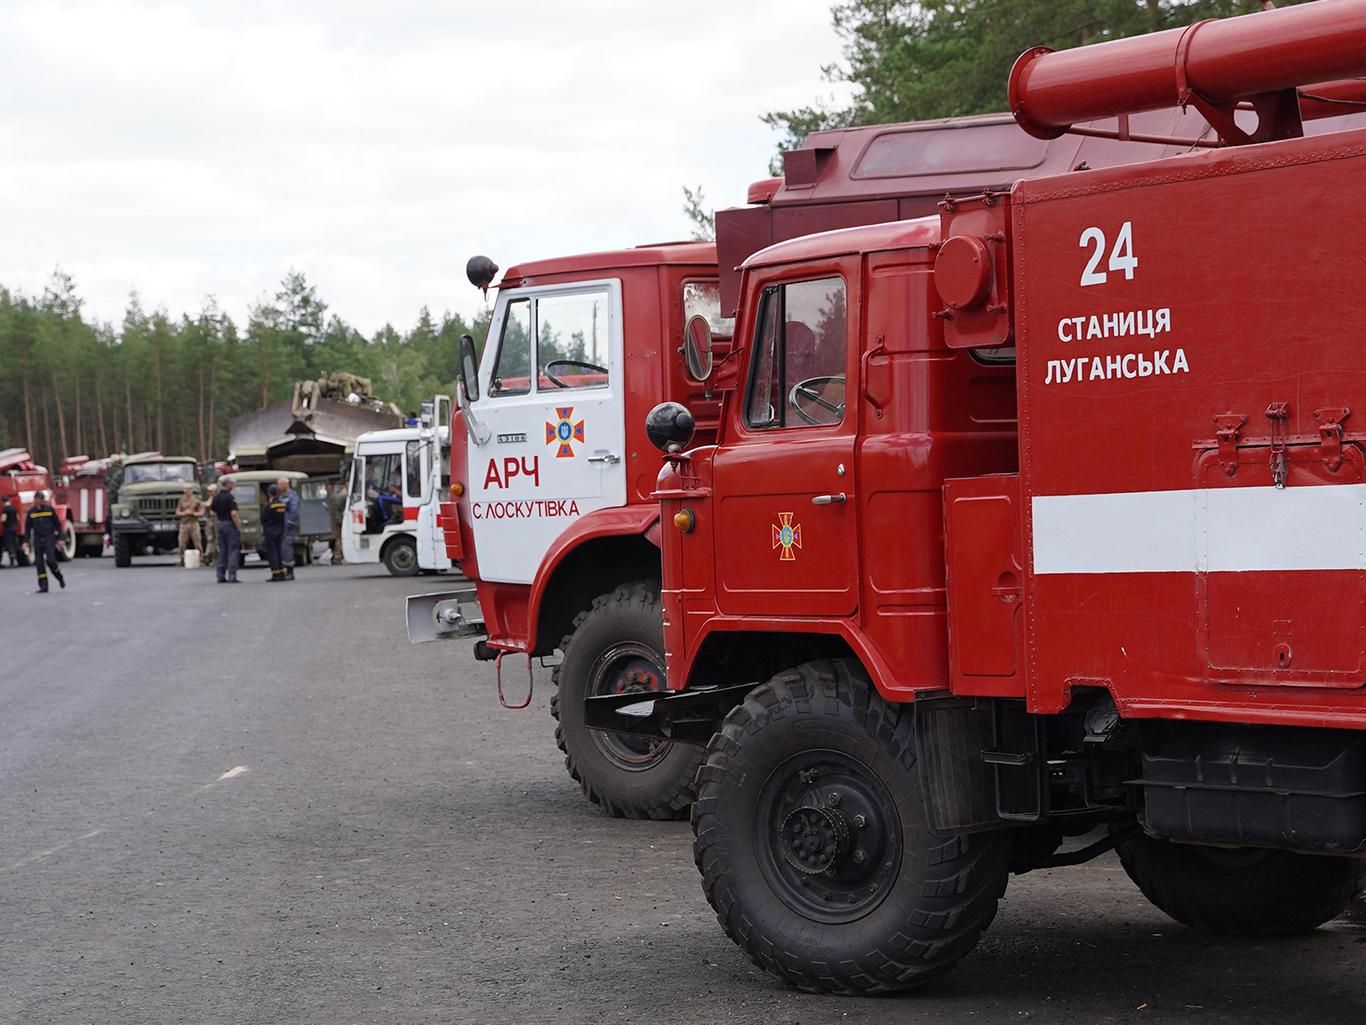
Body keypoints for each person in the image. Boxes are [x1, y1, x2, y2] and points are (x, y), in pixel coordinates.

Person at [24, 491, 66, 593]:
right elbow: (28, 528)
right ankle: (43, 586)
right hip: (38, 540)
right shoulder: (31, 512)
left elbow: (58, 525)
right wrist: (25, 541)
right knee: (39, 564)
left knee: (51, 561)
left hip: (49, 539)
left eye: (40, 499)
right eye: (36, 499)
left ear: (43, 500)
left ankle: (59, 577)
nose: (38, 502)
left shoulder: (49, 510)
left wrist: (61, 538)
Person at [210, 477, 241, 583]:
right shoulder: (230, 497)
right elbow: (234, 513)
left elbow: (213, 512)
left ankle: (220, 575)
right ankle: (232, 575)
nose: (233, 486)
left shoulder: (216, 497)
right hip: (229, 524)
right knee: (233, 549)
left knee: (222, 550)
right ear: (227, 484)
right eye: (232, 484)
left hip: (220, 524)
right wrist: (238, 526)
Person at [261, 483, 287, 581]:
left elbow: (263, 518)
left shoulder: (269, 506)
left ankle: (275, 574)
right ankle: (281, 573)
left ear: (269, 494)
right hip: (280, 531)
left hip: (270, 532)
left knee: (272, 553)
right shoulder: (282, 505)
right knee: (279, 552)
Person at [276, 476, 300, 580]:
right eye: (278, 484)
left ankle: (290, 571)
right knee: (281, 548)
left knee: (286, 548)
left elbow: (294, 511)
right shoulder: (281, 496)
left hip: (287, 525)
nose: (279, 486)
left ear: (286, 484)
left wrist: (290, 522)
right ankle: (283, 570)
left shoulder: (291, 496)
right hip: (280, 526)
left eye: (280, 484)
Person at [175, 486, 205, 564]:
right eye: (185, 491)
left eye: (188, 491)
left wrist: (194, 513)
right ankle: (182, 559)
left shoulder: (196, 500)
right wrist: (184, 513)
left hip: (193, 523)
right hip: (184, 524)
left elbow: (202, 512)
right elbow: (177, 512)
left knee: (197, 543)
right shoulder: (182, 500)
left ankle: (201, 559)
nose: (187, 493)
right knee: (181, 543)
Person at [202, 483, 219, 566]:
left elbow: (208, 505)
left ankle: (214, 557)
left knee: (215, 540)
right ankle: (209, 556)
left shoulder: (216, 498)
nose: (209, 493)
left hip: (215, 520)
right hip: (210, 520)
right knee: (210, 539)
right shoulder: (211, 498)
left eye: (210, 491)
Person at [1, 495, 20, 568]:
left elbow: (3, 519)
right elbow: (18, 519)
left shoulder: (5, 509)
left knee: (9, 545)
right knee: (13, 544)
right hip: (14, 528)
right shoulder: (14, 508)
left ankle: (12, 561)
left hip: (7, 529)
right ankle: (16, 561)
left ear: (3, 502)